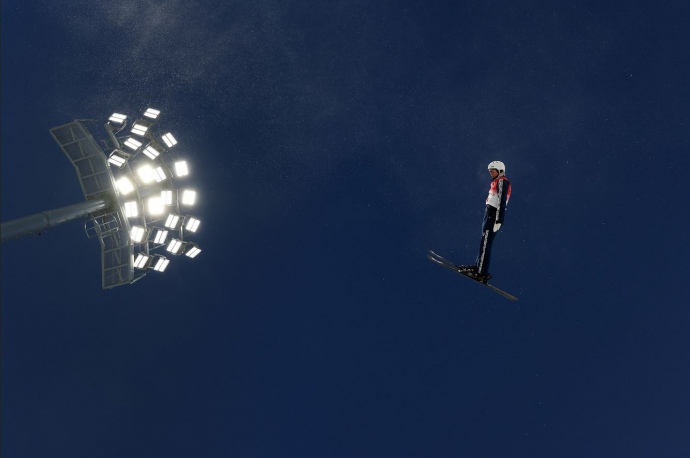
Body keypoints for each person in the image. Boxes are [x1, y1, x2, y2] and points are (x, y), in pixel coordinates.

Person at [461, 161, 512, 283]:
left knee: (486, 244)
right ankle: (478, 266)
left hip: (493, 215)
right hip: (488, 213)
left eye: (493, 171)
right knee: (484, 242)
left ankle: (481, 272)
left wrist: (499, 220)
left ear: (500, 171)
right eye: (490, 172)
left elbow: (501, 201)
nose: (491, 174)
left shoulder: (503, 181)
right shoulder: (496, 181)